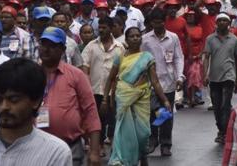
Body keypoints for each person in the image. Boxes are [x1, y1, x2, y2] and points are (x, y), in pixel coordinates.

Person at [102, 27, 172, 166]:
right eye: (132, 36)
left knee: (143, 133)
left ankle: (142, 154)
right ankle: (123, 160)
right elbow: (110, 79)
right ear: (126, 40)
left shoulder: (147, 57)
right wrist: (105, 98)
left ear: (141, 38)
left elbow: (155, 82)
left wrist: (165, 100)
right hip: (123, 99)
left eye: (138, 36)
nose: (135, 38)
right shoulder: (120, 57)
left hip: (141, 99)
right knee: (124, 132)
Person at [37, 27, 101, 165]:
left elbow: (91, 111)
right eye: (43, 44)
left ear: (62, 49)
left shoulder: (76, 75)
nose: (46, 49)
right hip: (37, 148)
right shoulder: (31, 74)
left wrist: (94, 151)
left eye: (52, 45)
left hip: (70, 147)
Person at [141, 8, 184, 156]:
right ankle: (153, 139)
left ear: (164, 22)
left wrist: (180, 77)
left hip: (168, 82)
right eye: (154, 23)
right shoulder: (145, 39)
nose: (157, 25)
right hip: (150, 83)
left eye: (159, 22)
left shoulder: (173, 38)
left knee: (166, 114)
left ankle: (166, 143)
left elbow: (178, 58)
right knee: (152, 113)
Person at [80, 16, 125, 155]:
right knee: (97, 119)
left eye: (104, 27)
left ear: (111, 29)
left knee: (112, 119)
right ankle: (98, 146)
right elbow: (85, 66)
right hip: (94, 89)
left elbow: (123, 68)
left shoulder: (120, 47)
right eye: (99, 27)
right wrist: (86, 84)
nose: (101, 30)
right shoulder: (91, 45)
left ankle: (113, 145)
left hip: (113, 91)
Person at [203, 13, 237, 144]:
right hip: (214, 77)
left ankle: (224, 132)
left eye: (225, 21)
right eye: (220, 20)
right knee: (217, 105)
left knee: (225, 104)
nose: (223, 23)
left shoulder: (235, 40)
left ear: (229, 23)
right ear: (216, 23)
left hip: (229, 75)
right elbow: (206, 57)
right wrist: (205, 74)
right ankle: (221, 128)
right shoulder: (210, 39)